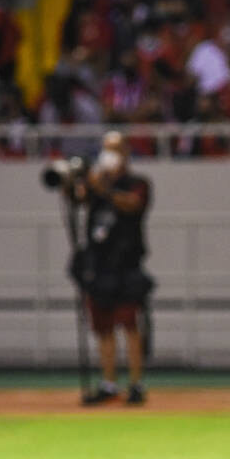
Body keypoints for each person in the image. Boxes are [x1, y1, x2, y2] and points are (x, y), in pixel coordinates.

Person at [76, 131, 153, 405]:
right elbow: (77, 199)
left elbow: (133, 204)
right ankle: (108, 383)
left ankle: (136, 384)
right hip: (100, 265)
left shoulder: (137, 183)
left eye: (115, 149)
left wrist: (104, 189)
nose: (109, 155)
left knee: (130, 324)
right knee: (103, 326)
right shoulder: (95, 184)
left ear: (126, 153)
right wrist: (82, 182)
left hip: (127, 264)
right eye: (106, 149)